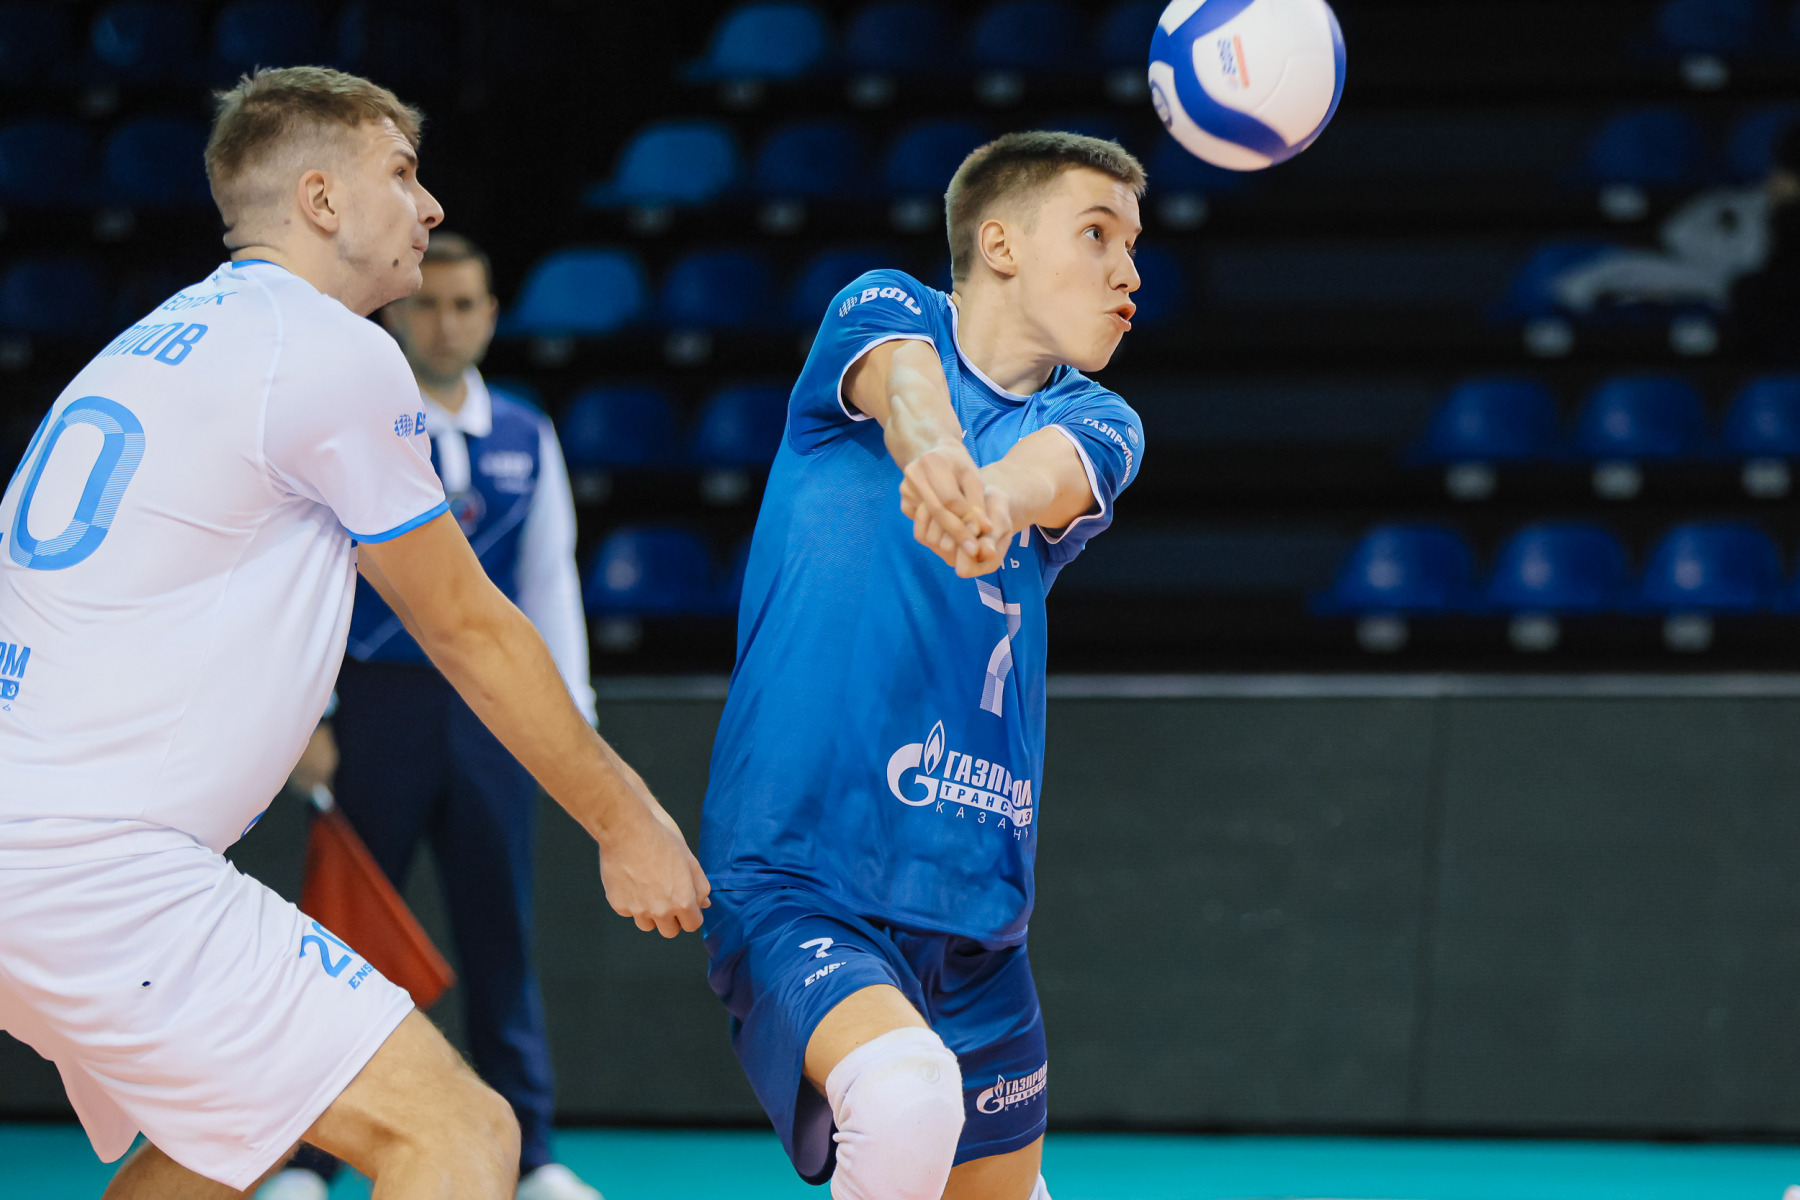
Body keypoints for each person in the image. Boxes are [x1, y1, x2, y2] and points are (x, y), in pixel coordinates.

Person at [0, 66, 707, 1200]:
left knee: (230, 1141)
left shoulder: (149, 343)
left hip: (40, 843)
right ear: (321, 199)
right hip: (104, 866)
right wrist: (628, 821)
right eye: (403, 172)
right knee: (462, 1134)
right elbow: (467, 624)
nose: (429, 205)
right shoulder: (328, 347)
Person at [698, 131, 1145, 1200]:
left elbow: (1047, 474)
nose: (1130, 272)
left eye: (1135, 245)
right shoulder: (883, 306)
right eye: (1097, 235)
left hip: (978, 905)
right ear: (999, 243)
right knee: (904, 1097)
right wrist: (939, 457)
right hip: (804, 867)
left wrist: (993, 497)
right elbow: (906, 388)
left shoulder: (1099, 417)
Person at [265, 233, 602, 1200]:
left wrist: (569, 730)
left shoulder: (528, 435)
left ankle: (531, 1157)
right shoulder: (355, 426)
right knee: (340, 944)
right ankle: (311, 1160)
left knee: (502, 936)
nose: (445, 323)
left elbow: (550, 588)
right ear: (394, 315)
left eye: (464, 305)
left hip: (494, 716)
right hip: (372, 709)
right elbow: (307, 576)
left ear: (490, 317)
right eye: (427, 304)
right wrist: (306, 717)